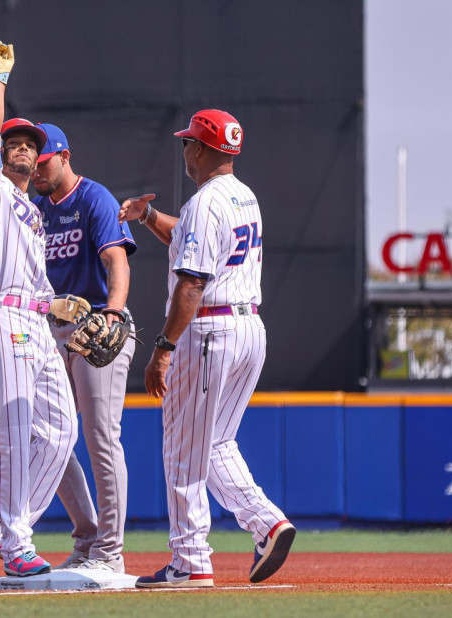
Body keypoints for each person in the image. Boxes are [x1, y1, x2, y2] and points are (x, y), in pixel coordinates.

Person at [118, 109, 295, 588]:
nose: (184, 149)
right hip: (249, 330)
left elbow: (192, 281)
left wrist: (163, 348)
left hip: (209, 330)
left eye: (187, 142)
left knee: (182, 450)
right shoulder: (244, 196)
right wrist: (149, 215)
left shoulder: (204, 202)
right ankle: (267, 523)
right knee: (214, 444)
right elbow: (190, 242)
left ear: (200, 148)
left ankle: (190, 560)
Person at [0, 39, 78, 578]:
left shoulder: (31, 212)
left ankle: (1, 527)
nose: (23, 148)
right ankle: (16, 545)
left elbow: (30, 280)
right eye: (16, 141)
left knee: (60, 432)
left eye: (32, 144)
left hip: (35, 320)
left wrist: (59, 305)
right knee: (12, 434)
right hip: (1, 319)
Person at [34, 124, 136, 573]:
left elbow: (116, 259)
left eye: (42, 162)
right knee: (50, 439)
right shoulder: (35, 209)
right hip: (52, 330)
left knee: (99, 436)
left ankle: (109, 553)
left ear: (64, 155)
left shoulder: (94, 198)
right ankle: (87, 539)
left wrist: (114, 311)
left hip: (98, 325)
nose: (35, 170)